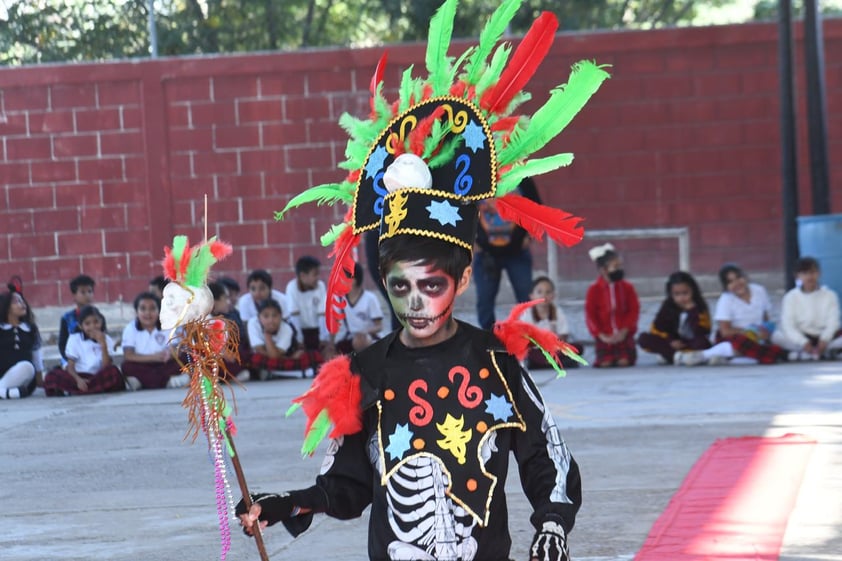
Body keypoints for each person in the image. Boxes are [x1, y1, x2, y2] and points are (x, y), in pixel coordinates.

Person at [238, 4, 608, 556]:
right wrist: (287, 503)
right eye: (400, 286)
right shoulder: (365, 371)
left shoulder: (494, 363)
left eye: (430, 285)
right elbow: (346, 486)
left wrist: (552, 522)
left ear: (461, 281)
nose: (414, 302)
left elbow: (544, 452)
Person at [473, 177, 540, 330]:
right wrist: (471, 241)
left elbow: (537, 207)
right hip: (485, 253)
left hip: (517, 252)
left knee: (526, 297)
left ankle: (527, 337)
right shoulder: (476, 175)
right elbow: (460, 208)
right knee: (485, 300)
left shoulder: (522, 177)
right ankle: (488, 339)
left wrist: (530, 235)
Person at [712, 263, 788, 364]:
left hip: (759, 334)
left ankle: (742, 358)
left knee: (779, 338)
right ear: (726, 287)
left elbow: (765, 318)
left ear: (746, 277)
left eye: (739, 277)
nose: (737, 283)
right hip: (738, 336)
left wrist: (765, 331)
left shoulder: (759, 290)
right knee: (740, 344)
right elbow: (725, 331)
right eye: (730, 282)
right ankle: (705, 354)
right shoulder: (725, 300)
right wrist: (749, 331)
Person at [771, 256, 842, 360]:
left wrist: (824, 339)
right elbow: (788, 325)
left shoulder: (830, 295)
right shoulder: (791, 297)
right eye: (805, 273)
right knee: (776, 336)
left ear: (819, 273)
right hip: (802, 338)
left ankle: (804, 355)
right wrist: (803, 342)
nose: (809, 277)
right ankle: (821, 354)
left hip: (826, 339)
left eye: (813, 272)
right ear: (797, 276)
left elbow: (833, 322)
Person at [43, 305, 124, 396]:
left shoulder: (107, 339)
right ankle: (93, 389)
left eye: (96, 322)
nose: (93, 326)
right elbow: (70, 366)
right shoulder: (74, 339)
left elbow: (106, 366)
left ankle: (78, 390)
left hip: (97, 376)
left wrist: (103, 344)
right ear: (80, 326)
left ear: (101, 322)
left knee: (113, 372)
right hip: (78, 376)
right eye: (87, 324)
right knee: (51, 376)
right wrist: (78, 380)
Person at [638, 271, 713, 365]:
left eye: (685, 293)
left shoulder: (699, 306)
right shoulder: (668, 306)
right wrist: (670, 341)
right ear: (671, 294)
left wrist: (692, 312)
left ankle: (672, 356)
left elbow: (703, 331)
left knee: (702, 343)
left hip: (691, 343)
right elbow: (657, 328)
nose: (681, 298)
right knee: (644, 339)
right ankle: (679, 356)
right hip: (672, 343)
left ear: (693, 291)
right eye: (677, 294)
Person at [585, 244, 640, 367]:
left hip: (623, 335)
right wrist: (601, 335)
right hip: (605, 336)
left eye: (620, 266)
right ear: (604, 270)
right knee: (605, 363)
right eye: (615, 267)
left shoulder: (627, 288)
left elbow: (634, 310)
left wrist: (625, 330)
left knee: (624, 361)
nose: (619, 269)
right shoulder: (594, 290)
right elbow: (590, 314)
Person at [120, 292, 184, 390]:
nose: (148, 313)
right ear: (136, 312)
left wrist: (170, 354)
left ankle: (143, 383)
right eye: (143, 309)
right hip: (142, 365)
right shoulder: (130, 328)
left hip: (164, 364)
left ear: (159, 311)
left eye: (152, 308)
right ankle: (167, 382)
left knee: (185, 359)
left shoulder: (167, 325)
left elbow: (176, 349)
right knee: (126, 366)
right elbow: (128, 355)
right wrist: (153, 357)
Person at [519, 276, 584, 370]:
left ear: (553, 295)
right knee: (528, 353)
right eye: (539, 292)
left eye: (548, 292)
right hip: (536, 349)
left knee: (577, 348)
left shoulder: (557, 312)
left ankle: (549, 362)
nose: (544, 295)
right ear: (532, 296)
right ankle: (551, 362)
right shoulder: (527, 314)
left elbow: (564, 334)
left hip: (554, 348)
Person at [247, 298, 319, 378]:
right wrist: (289, 358)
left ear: (281, 316)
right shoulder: (253, 323)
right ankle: (298, 373)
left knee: (312, 356)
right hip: (281, 357)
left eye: (274, 316)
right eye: (266, 316)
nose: (271, 320)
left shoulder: (286, 328)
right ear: (259, 318)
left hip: (285, 353)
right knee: (255, 359)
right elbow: (259, 350)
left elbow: (275, 356)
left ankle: (274, 373)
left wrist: (267, 336)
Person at [0, 280, 42, 399]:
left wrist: (40, 378)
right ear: (6, 307)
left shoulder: (30, 329)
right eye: (16, 302)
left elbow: (37, 356)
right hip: (2, 374)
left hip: (23, 377)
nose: (22, 304)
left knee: (27, 367)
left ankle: (2, 391)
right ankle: (5, 392)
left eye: (22, 301)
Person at [332, 262, 384, 354]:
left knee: (362, 342)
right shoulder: (338, 299)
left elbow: (379, 326)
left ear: (353, 280)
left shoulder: (370, 298)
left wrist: (364, 332)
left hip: (368, 337)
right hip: (348, 337)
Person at [285, 255, 329, 353]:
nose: (318, 278)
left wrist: (323, 337)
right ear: (302, 276)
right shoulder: (292, 288)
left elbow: (322, 315)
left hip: (317, 331)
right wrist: (299, 340)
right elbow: (294, 317)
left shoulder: (321, 286)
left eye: (318, 274)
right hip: (299, 331)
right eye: (315, 275)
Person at [208, 280, 251, 382]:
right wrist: (224, 352)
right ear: (214, 301)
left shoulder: (231, 315)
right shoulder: (205, 319)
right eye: (225, 298)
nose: (229, 302)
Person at [57, 274, 96, 367]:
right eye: (83, 292)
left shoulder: (98, 317)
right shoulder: (66, 318)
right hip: (72, 359)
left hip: (93, 357)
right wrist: (70, 359)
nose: (87, 295)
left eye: (90, 291)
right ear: (74, 296)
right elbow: (62, 345)